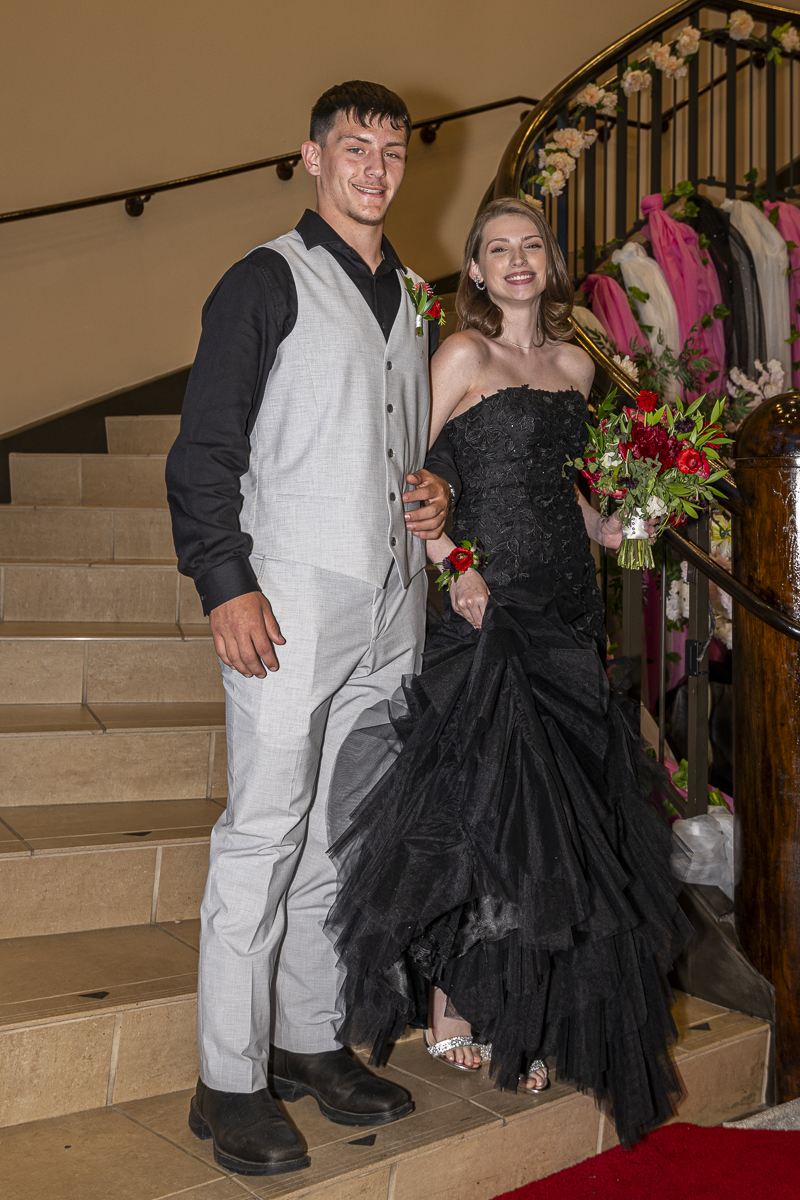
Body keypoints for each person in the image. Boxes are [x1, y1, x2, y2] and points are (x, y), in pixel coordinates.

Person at [326, 197, 691, 1148]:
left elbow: (578, 505)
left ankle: (524, 1009)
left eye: (531, 246)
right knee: (491, 807)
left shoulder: (577, 365)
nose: (517, 260)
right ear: (479, 271)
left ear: (548, 263)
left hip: (571, 606)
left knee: (558, 817)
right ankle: (456, 996)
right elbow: (407, 475)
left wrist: (632, 521)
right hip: (488, 603)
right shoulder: (460, 355)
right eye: (499, 249)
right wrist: (454, 563)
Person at [166, 80, 458, 1177]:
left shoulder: (410, 296)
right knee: (263, 836)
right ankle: (228, 1079)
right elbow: (204, 451)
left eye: (391, 151)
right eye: (354, 148)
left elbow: (394, 436)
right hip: (287, 604)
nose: (375, 169)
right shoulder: (264, 280)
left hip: (389, 607)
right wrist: (224, 582)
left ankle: (304, 1038)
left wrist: (433, 489)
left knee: (339, 838)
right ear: (312, 156)